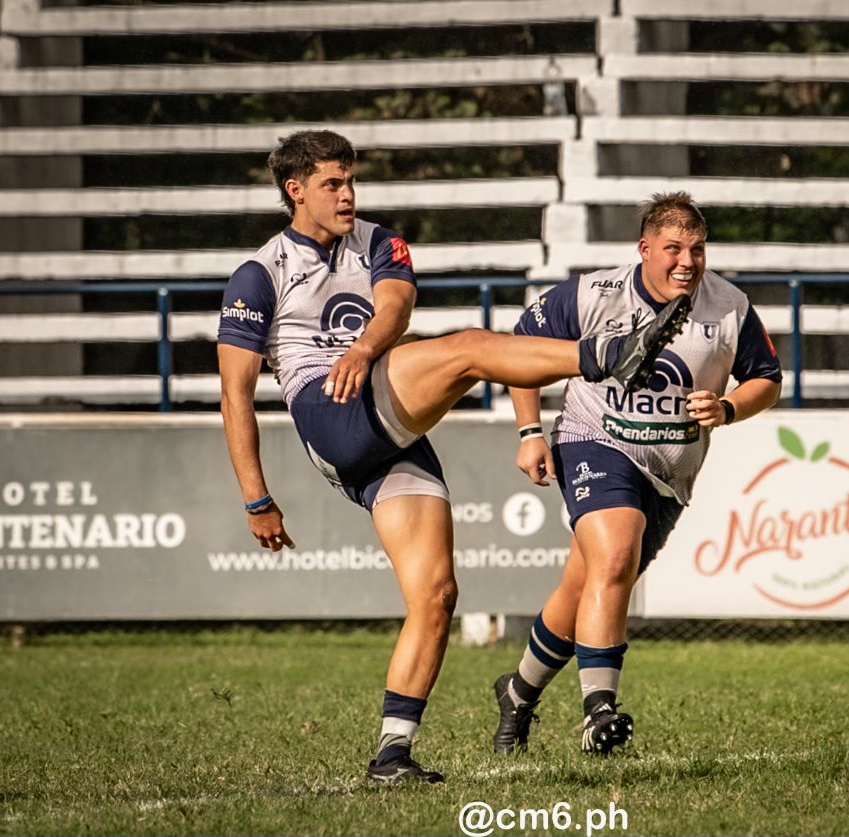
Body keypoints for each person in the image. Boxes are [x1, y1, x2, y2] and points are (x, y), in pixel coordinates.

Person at [216, 130, 690, 784]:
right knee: (467, 349)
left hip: (384, 422)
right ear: (296, 191)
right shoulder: (260, 272)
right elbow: (235, 395)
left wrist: (363, 350)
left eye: (351, 180)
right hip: (332, 416)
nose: (348, 193)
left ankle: (392, 753)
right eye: (332, 184)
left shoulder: (379, 242)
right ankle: (605, 355)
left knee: (437, 595)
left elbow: (397, 307)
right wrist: (256, 497)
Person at [490, 192, 783, 757]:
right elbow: (515, 352)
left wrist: (729, 408)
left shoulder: (731, 306)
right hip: (592, 440)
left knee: (588, 586)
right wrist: (529, 433)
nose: (687, 261)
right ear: (644, 249)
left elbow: (767, 378)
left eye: (697, 249)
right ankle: (599, 711)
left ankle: (518, 692)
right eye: (673, 248)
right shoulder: (594, 294)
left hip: (669, 474)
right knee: (617, 553)